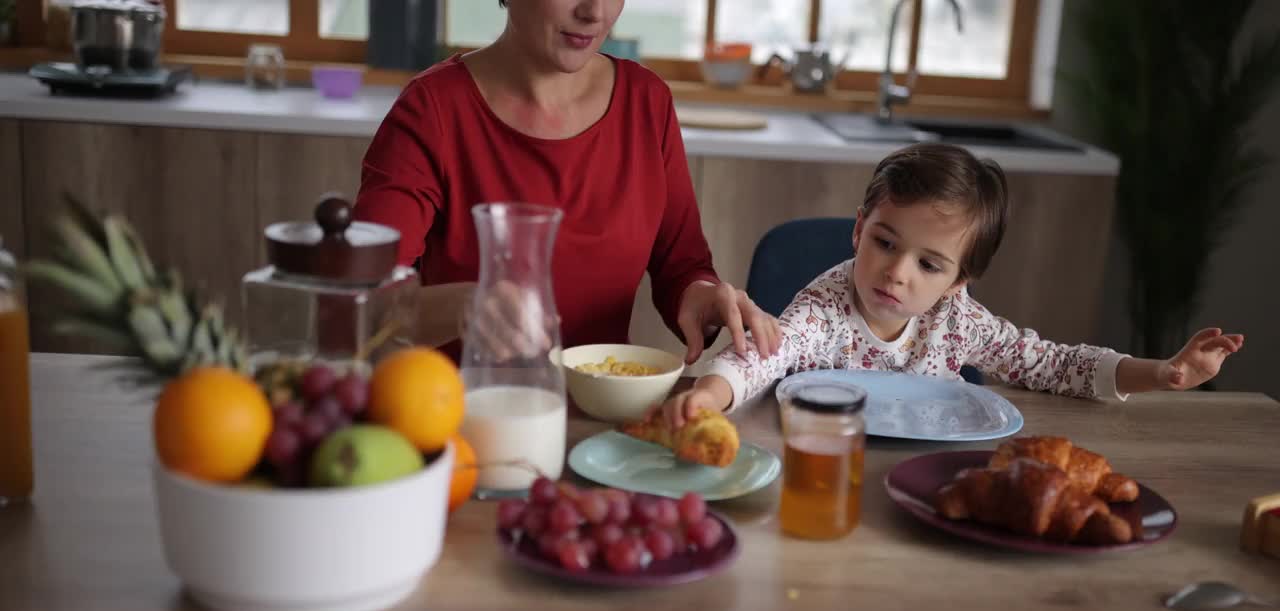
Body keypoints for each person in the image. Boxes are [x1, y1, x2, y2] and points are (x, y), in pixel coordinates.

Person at [658, 142, 1245, 427]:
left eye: (929, 265)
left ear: (960, 279)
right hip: (829, 468)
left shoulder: (958, 320)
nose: (898, 272)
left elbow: (1054, 365)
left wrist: (1161, 372)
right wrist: (708, 396)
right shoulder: (825, 309)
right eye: (884, 242)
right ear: (859, 229)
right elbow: (759, 358)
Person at [353, 0, 780, 364]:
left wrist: (703, 298)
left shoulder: (647, 102)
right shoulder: (432, 111)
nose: (594, 11)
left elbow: (681, 267)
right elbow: (364, 303)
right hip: (459, 414)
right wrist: (467, 304)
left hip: (602, 416)